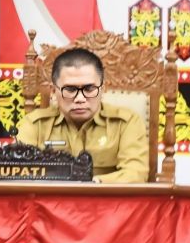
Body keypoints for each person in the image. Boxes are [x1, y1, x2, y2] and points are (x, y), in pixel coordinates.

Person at [16, 48, 149, 183]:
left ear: (103, 89)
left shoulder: (126, 123)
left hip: (104, 196)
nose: (80, 98)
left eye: (89, 89)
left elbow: (135, 173)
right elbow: (18, 172)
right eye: (70, 89)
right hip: (50, 197)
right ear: (53, 91)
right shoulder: (35, 124)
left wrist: (91, 184)